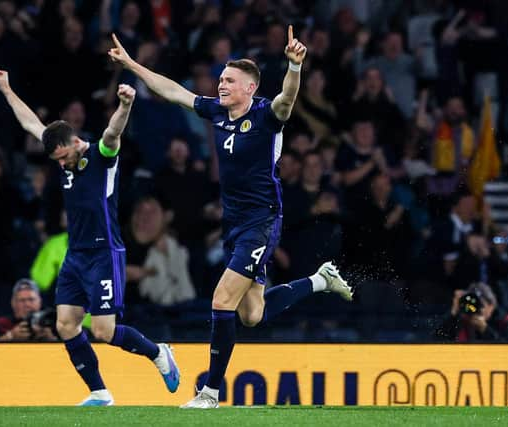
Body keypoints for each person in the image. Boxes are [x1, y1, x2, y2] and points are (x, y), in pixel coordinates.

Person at [109, 25, 353, 409]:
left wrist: (294, 67)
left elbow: (287, 101)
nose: (220, 85)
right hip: (234, 224)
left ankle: (210, 393)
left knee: (222, 300)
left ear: (250, 88)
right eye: (221, 79)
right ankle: (320, 280)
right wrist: (132, 64)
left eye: (229, 81)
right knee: (252, 314)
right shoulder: (217, 113)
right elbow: (173, 90)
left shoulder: (266, 115)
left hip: (262, 221)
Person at [0, 70, 179, 406]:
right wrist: (7, 89)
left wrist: (124, 105)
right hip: (76, 255)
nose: (61, 164)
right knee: (66, 325)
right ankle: (100, 392)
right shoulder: (62, 157)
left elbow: (113, 132)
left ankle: (158, 353)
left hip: (104, 253)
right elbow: (30, 124)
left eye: (63, 157)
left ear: (74, 142)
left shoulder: (101, 156)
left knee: (104, 332)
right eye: (56, 161)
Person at [0, 278, 57, 342]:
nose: (27, 304)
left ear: (40, 301)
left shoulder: (51, 323)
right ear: (13, 303)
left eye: (31, 299)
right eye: (22, 300)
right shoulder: (1, 324)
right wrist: (10, 336)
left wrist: (51, 340)